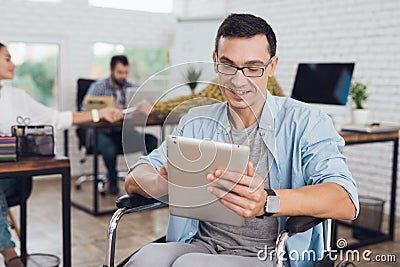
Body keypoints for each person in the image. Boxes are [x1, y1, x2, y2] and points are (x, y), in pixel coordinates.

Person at [124, 13, 359, 267]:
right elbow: (134, 178)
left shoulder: (307, 121)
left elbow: (345, 200)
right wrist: (163, 184)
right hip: (199, 243)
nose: (238, 81)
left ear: (272, 66)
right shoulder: (196, 120)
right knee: (145, 259)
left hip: (269, 255)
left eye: (253, 68)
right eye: (228, 65)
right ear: (215, 62)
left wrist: (268, 201)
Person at [0, 42, 123, 267]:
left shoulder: (17, 97)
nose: (14, 63)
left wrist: (99, 113)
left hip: (11, 178)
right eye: (7, 58)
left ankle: (9, 254)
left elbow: (57, 119)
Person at [85, 55, 158, 195]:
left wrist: (143, 107)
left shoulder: (131, 88)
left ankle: (146, 181)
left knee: (151, 141)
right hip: (102, 133)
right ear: (111, 70)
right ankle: (112, 179)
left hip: (124, 132)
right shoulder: (98, 87)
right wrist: (106, 112)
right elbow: (85, 110)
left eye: (125, 72)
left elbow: (149, 100)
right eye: (119, 72)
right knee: (109, 147)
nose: (123, 76)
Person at [134, 76, 284, 116]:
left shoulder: (270, 81)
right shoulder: (220, 86)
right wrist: (157, 106)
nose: (239, 81)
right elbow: (194, 101)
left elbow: (282, 104)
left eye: (251, 67)